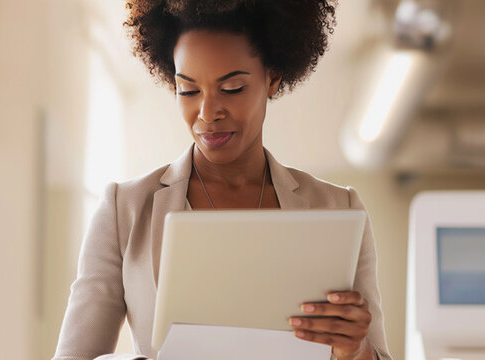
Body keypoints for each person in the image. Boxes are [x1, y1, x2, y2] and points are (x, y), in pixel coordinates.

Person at [53, 1, 391, 359]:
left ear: (272, 78)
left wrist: (357, 350)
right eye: (188, 90)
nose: (207, 112)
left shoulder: (338, 209)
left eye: (231, 88)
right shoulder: (125, 210)